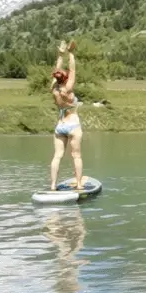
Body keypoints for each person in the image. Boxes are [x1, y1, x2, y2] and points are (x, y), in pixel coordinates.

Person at [49, 40, 85, 192]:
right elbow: (73, 69)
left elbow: (57, 69)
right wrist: (70, 54)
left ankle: (52, 185)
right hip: (73, 124)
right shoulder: (68, 88)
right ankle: (79, 184)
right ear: (66, 78)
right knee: (76, 156)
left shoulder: (54, 89)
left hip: (60, 125)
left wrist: (60, 55)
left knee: (57, 156)